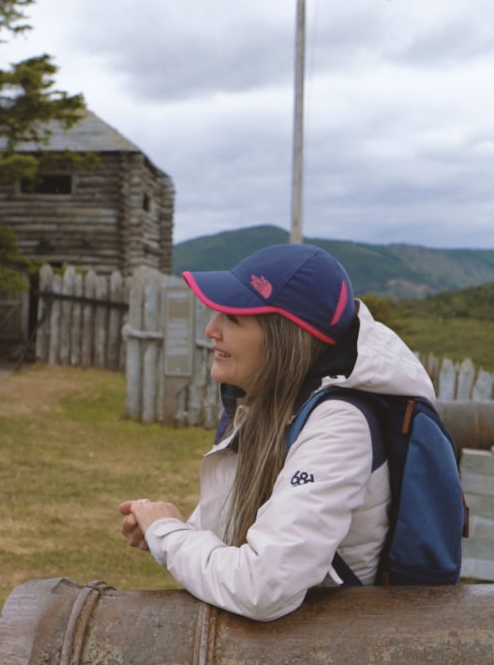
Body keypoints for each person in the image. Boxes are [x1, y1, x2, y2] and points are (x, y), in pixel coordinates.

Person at [118, 243, 434, 621]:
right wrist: (164, 528)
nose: (211, 329)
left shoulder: (340, 427)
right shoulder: (265, 406)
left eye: (233, 319)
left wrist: (168, 535)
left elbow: (263, 587)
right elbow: (225, 536)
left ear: (285, 337)